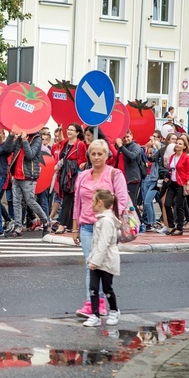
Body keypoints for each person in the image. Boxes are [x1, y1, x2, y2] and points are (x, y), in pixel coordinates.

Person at [72, 139, 129, 318]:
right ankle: (94, 304)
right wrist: (75, 227)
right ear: (88, 155)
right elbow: (77, 203)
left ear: (107, 155)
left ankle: (99, 303)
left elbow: (122, 200)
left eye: (100, 154)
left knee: (101, 266)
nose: (96, 157)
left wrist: (116, 223)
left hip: (106, 226)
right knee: (92, 264)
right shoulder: (82, 175)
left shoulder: (115, 174)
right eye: (93, 153)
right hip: (87, 227)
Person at [83, 189, 122, 327]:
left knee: (107, 288)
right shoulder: (102, 219)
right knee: (93, 288)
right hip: (97, 258)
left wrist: (95, 261)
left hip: (106, 260)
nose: (91, 205)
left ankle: (114, 310)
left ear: (100, 203)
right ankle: (95, 315)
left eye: (93, 202)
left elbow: (104, 243)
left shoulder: (106, 221)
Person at [4, 131, 50, 238]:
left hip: (28, 176)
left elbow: (30, 155)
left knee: (30, 201)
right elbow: (8, 149)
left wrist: (24, 140)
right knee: (16, 202)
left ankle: (46, 222)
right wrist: (11, 136)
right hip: (16, 175)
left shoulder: (37, 138)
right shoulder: (20, 136)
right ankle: (18, 228)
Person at [54, 124, 87, 234]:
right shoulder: (65, 143)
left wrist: (70, 164)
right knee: (69, 200)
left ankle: (62, 225)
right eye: (68, 129)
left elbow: (82, 160)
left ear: (77, 133)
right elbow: (61, 142)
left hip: (73, 176)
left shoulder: (80, 144)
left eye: (72, 130)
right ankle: (69, 225)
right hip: (64, 174)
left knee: (68, 200)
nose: (69, 131)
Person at [164, 135, 189, 236]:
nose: (177, 145)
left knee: (179, 206)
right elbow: (171, 169)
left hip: (181, 184)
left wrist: (188, 184)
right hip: (172, 183)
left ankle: (179, 228)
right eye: (177, 143)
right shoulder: (172, 156)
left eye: (180, 144)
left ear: (184, 147)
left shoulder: (186, 157)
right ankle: (171, 225)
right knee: (167, 204)